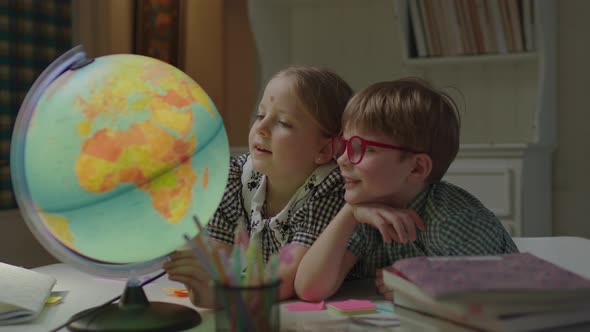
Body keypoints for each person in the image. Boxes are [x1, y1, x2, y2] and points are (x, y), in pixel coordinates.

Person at [295, 77, 518, 301]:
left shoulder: (452, 221)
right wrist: (350, 213)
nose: (342, 159)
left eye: (363, 148)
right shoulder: (367, 213)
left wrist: (422, 287)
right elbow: (310, 289)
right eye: (344, 145)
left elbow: (495, 295)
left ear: (416, 168)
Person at [163, 66, 353, 307]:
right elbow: (216, 261)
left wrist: (223, 297)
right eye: (261, 116)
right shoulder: (233, 176)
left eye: (283, 122)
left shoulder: (331, 189)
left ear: (325, 150)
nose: (261, 129)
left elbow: (286, 279)